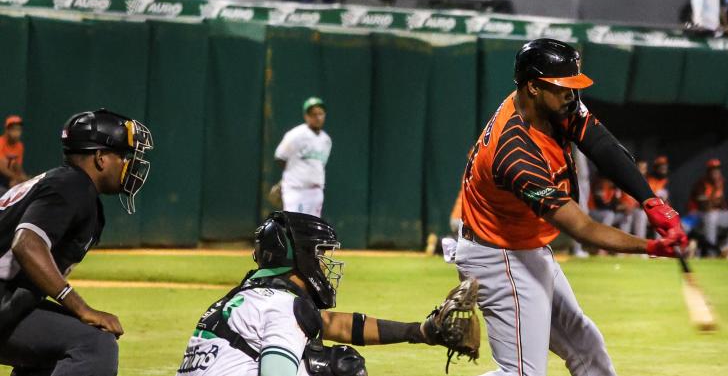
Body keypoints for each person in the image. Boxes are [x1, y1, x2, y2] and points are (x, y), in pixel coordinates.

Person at [455, 38, 686, 376]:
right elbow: (583, 229)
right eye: (562, 86)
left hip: (523, 246)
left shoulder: (551, 107)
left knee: (587, 349)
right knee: (522, 373)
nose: (571, 94)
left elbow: (601, 144)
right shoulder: (516, 153)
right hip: (498, 257)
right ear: (533, 87)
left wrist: (650, 200)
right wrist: (650, 246)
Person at [177, 211, 478, 376]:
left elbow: (337, 325)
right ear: (300, 257)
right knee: (338, 367)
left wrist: (419, 332)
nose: (325, 264)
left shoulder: (251, 297)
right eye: (320, 254)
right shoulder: (283, 307)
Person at [0, 109, 153, 375]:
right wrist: (81, 308)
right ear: (100, 158)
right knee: (94, 344)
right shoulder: (73, 185)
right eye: (123, 156)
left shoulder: (63, 182)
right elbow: (27, 244)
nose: (128, 164)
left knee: (58, 349)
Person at [275, 97, 332, 217]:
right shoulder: (296, 135)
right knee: (295, 224)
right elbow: (280, 157)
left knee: (312, 227)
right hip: (296, 191)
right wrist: (288, 179)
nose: (318, 117)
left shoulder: (326, 140)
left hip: (316, 192)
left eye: (320, 114)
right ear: (306, 116)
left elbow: (319, 165)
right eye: (313, 114)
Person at [689, 159, 728, 258]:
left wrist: (724, 206)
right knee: (711, 216)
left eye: (717, 169)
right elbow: (704, 206)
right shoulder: (701, 184)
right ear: (708, 171)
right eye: (713, 169)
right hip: (699, 214)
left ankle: (726, 250)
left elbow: (721, 203)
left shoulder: (720, 182)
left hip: (716, 214)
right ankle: (712, 253)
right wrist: (716, 191)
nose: (716, 172)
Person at [0, 116, 26, 191]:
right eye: (13, 129)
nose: (16, 133)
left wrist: (23, 177)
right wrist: (17, 177)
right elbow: (2, 168)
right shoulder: (1, 143)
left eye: (18, 129)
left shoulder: (19, 146)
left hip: (7, 178)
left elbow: (17, 165)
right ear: (7, 130)